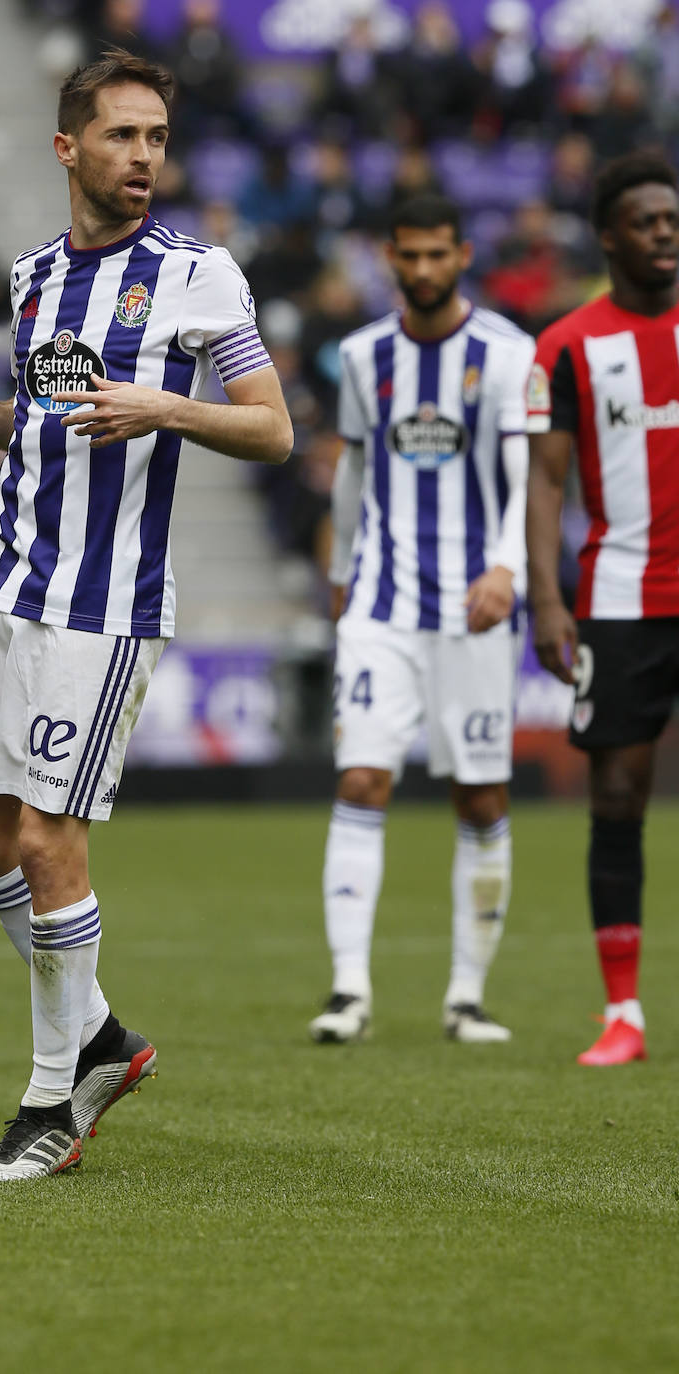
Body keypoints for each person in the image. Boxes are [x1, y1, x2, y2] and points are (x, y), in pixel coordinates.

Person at [0, 49, 292, 1180]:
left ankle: (53, 1104)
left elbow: (273, 427)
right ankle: (97, 1038)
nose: (143, 158)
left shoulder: (196, 273)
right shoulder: (34, 275)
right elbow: (53, 431)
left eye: (156, 140)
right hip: (10, 586)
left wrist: (169, 407)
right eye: (123, 137)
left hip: (104, 603)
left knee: (45, 840)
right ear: (66, 148)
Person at [308, 194, 535, 1046]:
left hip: (475, 608)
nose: (426, 270)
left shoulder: (509, 355)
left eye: (440, 255)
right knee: (363, 777)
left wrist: (507, 567)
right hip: (383, 602)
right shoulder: (364, 356)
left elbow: (525, 479)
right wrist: (339, 573)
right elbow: (351, 473)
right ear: (391, 257)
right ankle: (348, 991)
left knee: (480, 795)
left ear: (463, 255)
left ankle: (466, 998)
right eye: (411, 256)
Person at [526, 150, 679, 1066]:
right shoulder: (567, 344)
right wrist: (548, 598)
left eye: (674, 218)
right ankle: (622, 1013)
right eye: (648, 220)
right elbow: (546, 484)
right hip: (621, 599)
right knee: (617, 796)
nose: (666, 231)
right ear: (611, 236)